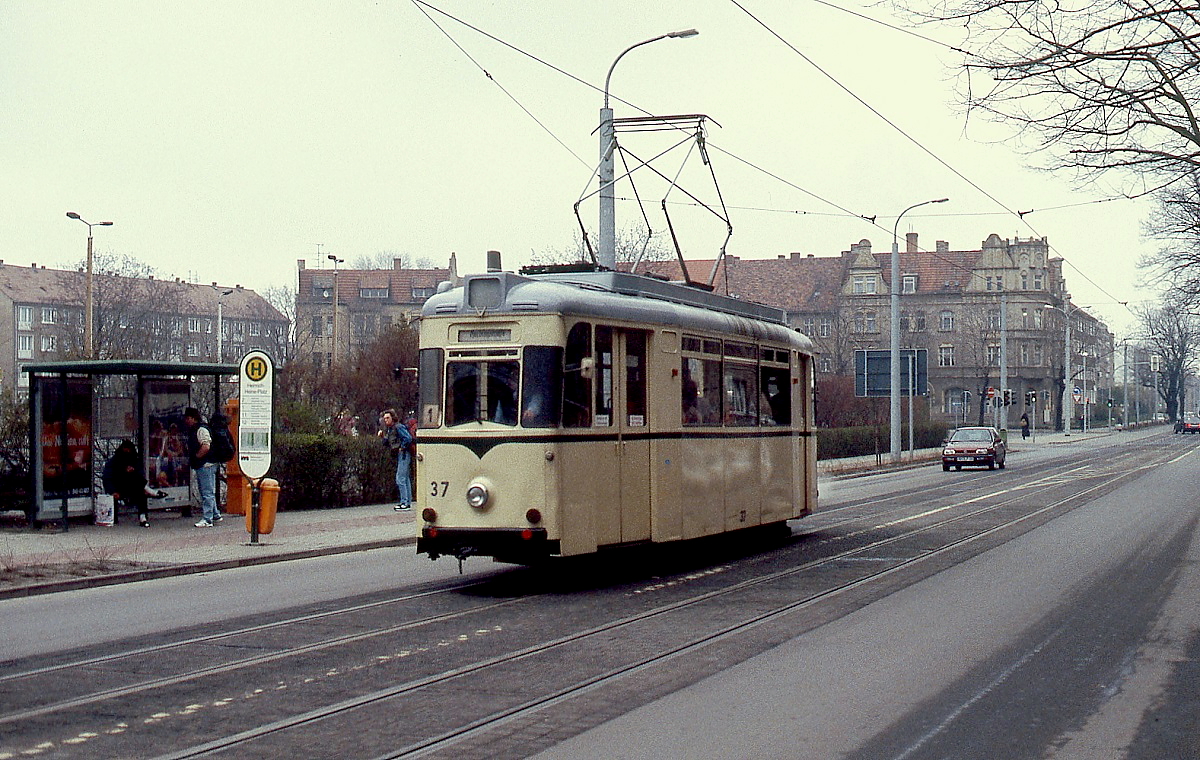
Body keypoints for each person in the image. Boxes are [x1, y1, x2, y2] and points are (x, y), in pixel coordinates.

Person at [102, 440, 164, 528]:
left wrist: (132, 470)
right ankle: (150, 491)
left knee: (136, 481)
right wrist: (112, 491)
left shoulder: (134, 460)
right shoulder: (115, 461)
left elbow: (140, 473)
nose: (127, 452)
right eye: (125, 450)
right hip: (118, 487)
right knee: (137, 481)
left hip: (131, 486)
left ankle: (144, 514)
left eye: (128, 450)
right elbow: (107, 477)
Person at [184, 407, 222, 527]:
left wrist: (197, 456)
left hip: (206, 464)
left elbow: (206, 446)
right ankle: (215, 514)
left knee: (206, 491)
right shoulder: (200, 428)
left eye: (188, 418)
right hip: (207, 463)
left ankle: (208, 519)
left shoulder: (200, 429)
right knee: (207, 490)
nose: (186, 421)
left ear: (193, 418)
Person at [378, 408, 413, 511]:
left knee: (400, 478)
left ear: (393, 418)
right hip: (400, 454)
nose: (386, 420)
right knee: (405, 478)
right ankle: (407, 502)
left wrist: (402, 447)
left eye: (388, 418)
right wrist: (383, 437)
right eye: (385, 418)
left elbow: (408, 438)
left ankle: (404, 502)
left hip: (403, 454)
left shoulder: (398, 427)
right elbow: (387, 443)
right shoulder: (390, 429)